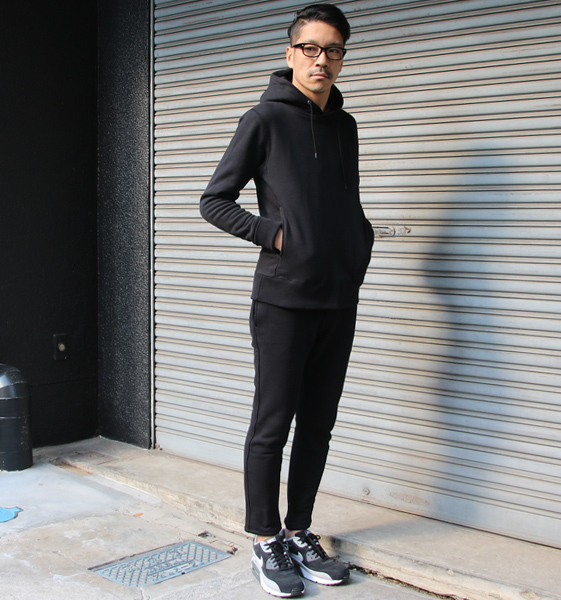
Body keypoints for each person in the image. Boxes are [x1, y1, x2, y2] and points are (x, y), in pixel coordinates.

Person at [200, 3, 373, 597]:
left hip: (338, 298)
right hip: (283, 299)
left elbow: (345, 201)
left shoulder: (345, 126)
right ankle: (264, 537)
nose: (322, 60)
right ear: (291, 52)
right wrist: (275, 235)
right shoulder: (264, 120)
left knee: (319, 424)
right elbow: (215, 200)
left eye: (333, 50)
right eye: (311, 48)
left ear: (342, 56)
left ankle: (299, 531)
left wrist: (358, 243)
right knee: (272, 424)